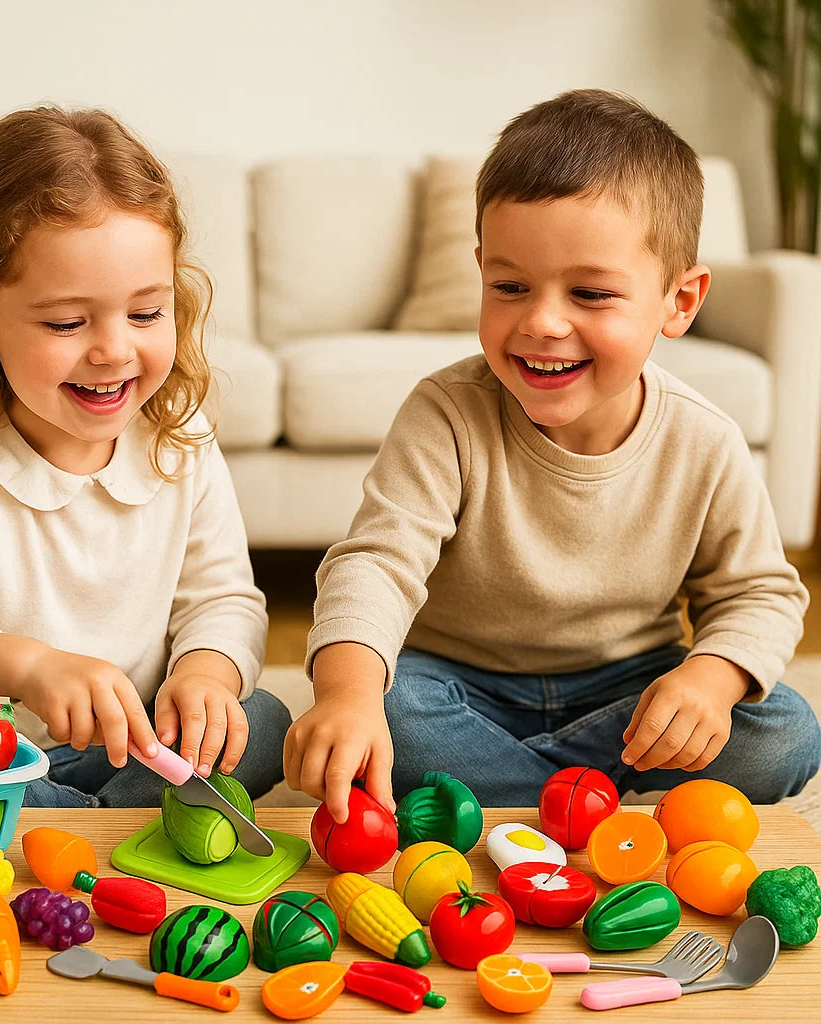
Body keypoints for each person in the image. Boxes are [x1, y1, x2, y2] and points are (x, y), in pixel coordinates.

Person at [284, 89, 821, 822]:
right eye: (509, 287)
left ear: (680, 300)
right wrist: (348, 697)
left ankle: (512, 798)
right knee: (392, 713)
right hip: (456, 684)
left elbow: (759, 594)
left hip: (628, 693)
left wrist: (712, 680)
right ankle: (583, 805)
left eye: (591, 294)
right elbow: (375, 562)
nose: (541, 322)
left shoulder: (706, 440)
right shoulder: (446, 412)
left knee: (783, 731)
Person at [0, 105, 290, 807]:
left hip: (128, 744)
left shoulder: (182, 436)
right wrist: (27, 666)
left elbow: (223, 598)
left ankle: (88, 816)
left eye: (146, 313)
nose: (114, 349)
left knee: (262, 721)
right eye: (66, 322)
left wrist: (205, 678)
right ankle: (108, 821)